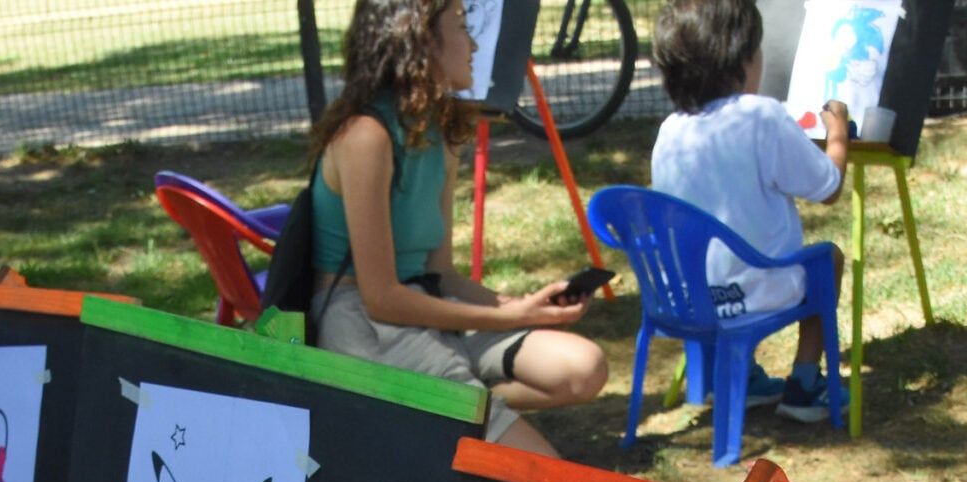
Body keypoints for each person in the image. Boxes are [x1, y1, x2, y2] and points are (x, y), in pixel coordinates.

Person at [308, 0, 610, 456]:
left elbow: (442, 274)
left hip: (425, 305)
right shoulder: (366, 135)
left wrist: (520, 305)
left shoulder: (439, 131)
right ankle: (433, 410)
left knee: (584, 367)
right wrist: (512, 317)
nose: (473, 45)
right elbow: (382, 297)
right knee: (547, 474)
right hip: (366, 325)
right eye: (463, 28)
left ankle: (422, 412)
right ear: (420, 40)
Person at [648, 0, 851, 422]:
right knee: (826, 259)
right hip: (755, 294)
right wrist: (838, 136)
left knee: (727, 257)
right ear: (743, 59)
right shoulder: (761, 116)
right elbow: (828, 188)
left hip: (685, 299)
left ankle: (747, 378)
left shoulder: (670, 130)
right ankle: (805, 383)